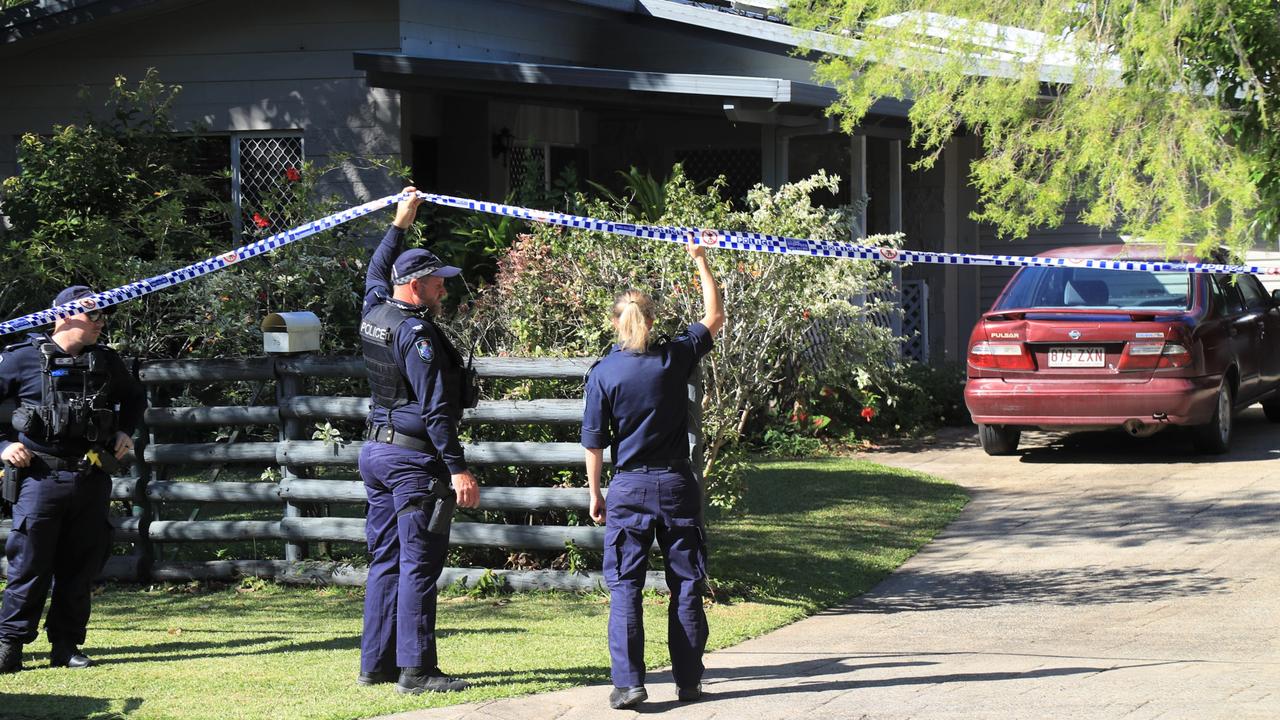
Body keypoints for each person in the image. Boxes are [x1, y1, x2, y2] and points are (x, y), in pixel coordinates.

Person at [582, 242, 725, 710]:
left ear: (614, 324)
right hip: (677, 483)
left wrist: (595, 492)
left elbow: (594, 441)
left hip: (629, 486)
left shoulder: (604, 372)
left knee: (626, 585)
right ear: (652, 319)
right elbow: (714, 314)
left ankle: (629, 684)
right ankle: (687, 681)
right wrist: (700, 259)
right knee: (686, 583)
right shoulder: (674, 358)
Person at [357, 187, 480, 694]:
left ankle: (375, 665)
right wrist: (456, 468)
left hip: (376, 453)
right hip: (412, 462)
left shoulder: (375, 310)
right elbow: (435, 410)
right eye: (437, 283)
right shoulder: (417, 335)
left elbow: (374, 272)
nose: (444, 291)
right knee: (419, 562)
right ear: (414, 285)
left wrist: (398, 224)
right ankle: (416, 670)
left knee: (385, 559)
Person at [0, 286, 144, 674]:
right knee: (28, 565)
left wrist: (125, 430)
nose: (101, 323)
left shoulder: (106, 362)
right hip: (39, 478)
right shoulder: (19, 360)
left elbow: (134, 398)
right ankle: (9, 646)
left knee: (80, 568)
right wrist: (2, 446)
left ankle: (65, 646)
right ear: (65, 316)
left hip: (91, 475)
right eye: (93, 316)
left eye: (103, 317)